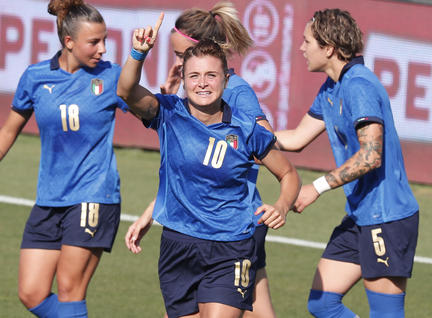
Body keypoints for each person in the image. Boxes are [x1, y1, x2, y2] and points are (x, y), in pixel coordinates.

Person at [118, 13, 300, 318]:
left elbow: (288, 173)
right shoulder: (168, 113)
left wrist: (281, 205)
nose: (202, 83)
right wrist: (138, 53)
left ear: (227, 79)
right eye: (194, 76)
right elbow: (125, 91)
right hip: (179, 244)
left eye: (211, 76)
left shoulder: (245, 128)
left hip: (231, 246)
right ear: (184, 79)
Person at [275, 8, 419, 318]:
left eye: (307, 41)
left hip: (387, 216)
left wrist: (316, 187)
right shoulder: (331, 88)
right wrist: (243, 137)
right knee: (322, 303)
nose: (301, 48)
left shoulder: (358, 85)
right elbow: (298, 138)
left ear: (328, 48)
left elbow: (371, 155)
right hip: (359, 216)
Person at [0, 1, 128, 317]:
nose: (102, 48)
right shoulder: (35, 77)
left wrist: (161, 83)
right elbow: (8, 132)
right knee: (31, 293)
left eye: (104, 40)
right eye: (94, 41)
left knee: (70, 291)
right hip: (49, 197)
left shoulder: (111, 76)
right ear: (68, 42)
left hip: (93, 195)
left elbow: (149, 106)